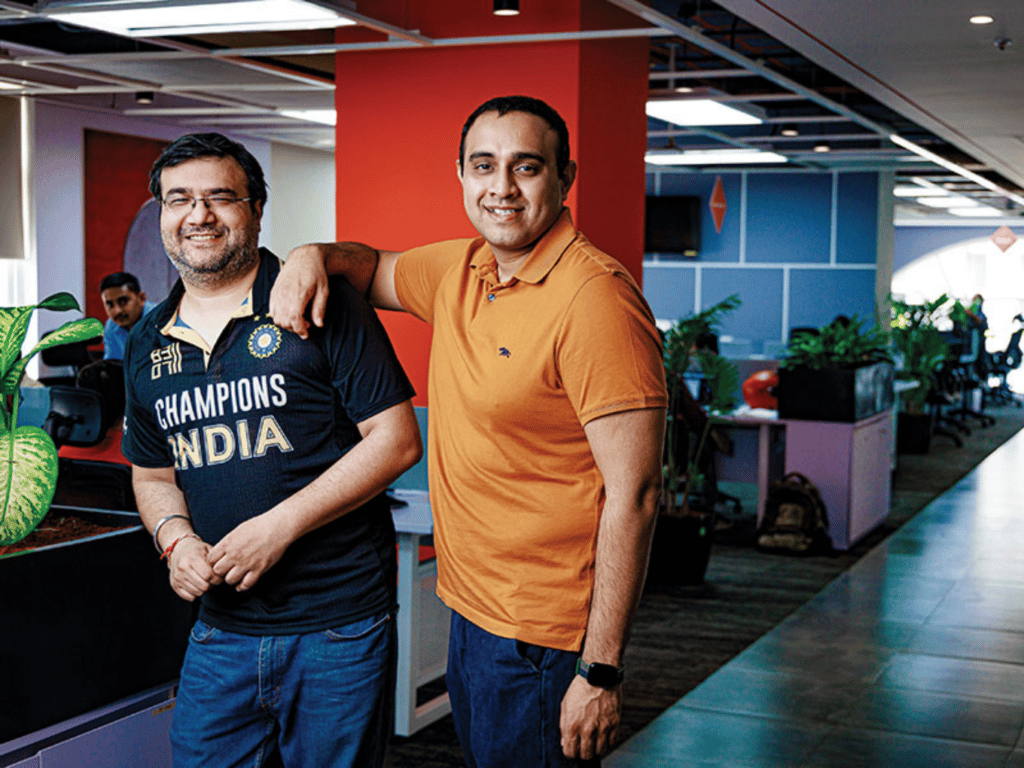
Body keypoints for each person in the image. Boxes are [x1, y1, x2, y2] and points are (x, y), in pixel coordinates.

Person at [270, 96, 668, 767]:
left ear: (565, 178)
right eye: (484, 166)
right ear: (460, 174)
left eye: (526, 167)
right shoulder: (462, 269)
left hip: (543, 636)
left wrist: (599, 672)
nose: (501, 187)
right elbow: (368, 266)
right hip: (471, 609)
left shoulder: (594, 299)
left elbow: (638, 495)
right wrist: (311, 253)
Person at [121, 132, 422, 768]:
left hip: (337, 625)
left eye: (219, 197)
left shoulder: (318, 300)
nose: (198, 215)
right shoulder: (146, 340)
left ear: (256, 209)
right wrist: (175, 541)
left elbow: (397, 441)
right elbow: (152, 476)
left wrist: (277, 528)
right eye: (179, 200)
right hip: (221, 628)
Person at [99, 271, 157, 360]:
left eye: (123, 302)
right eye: (110, 304)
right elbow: (112, 364)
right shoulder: (111, 326)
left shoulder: (163, 319)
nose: (117, 311)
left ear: (141, 298)